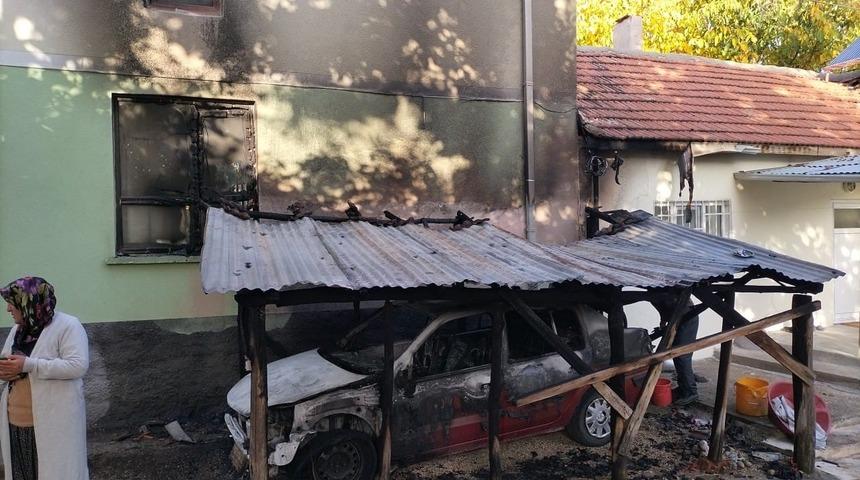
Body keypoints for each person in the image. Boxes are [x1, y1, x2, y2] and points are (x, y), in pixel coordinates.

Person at [0, 277, 90, 480]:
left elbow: (78, 366)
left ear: (29, 303)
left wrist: (29, 365)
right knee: (22, 472)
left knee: (55, 471)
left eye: (12, 303)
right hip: (16, 420)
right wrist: (4, 371)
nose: (8, 309)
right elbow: (9, 361)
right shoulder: (19, 330)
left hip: (53, 422)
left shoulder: (68, 326)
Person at [653, 297, 706, 406]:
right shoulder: (653, 290)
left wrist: (666, 324)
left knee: (682, 356)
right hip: (678, 319)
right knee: (677, 356)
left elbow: (673, 307)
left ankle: (691, 392)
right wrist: (663, 324)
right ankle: (684, 388)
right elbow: (663, 309)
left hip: (687, 318)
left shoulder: (665, 288)